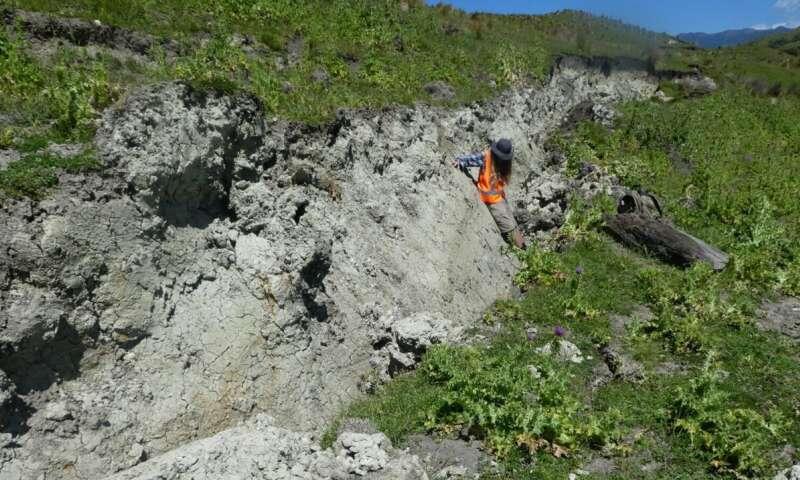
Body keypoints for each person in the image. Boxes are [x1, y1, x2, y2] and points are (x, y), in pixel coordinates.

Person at [454, 138, 527, 249]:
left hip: (500, 198)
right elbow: (469, 159)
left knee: (512, 222)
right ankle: (523, 250)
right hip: (491, 202)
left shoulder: (504, 163)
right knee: (509, 227)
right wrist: (460, 161)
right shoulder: (487, 157)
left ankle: (525, 247)